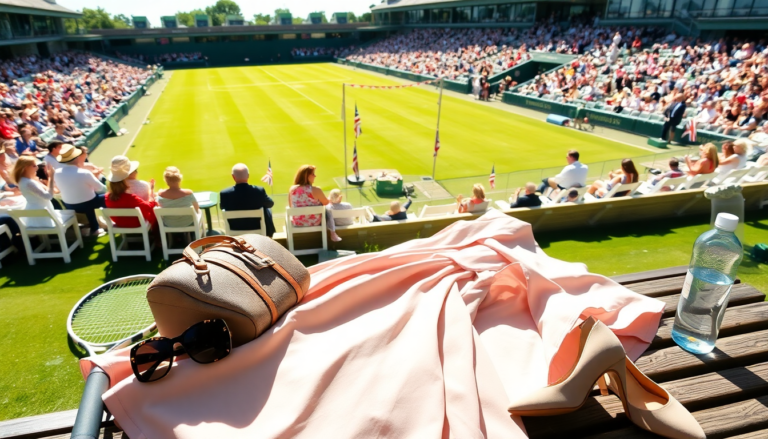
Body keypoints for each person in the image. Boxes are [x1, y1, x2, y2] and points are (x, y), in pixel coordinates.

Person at [55, 144, 106, 236]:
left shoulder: (56, 173)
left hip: (68, 204)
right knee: (108, 197)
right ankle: (110, 222)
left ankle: (94, 226)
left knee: (88, 200)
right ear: (77, 157)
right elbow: (101, 188)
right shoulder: (84, 173)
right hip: (88, 204)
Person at [220, 163, 275, 237]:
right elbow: (270, 204)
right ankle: (270, 234)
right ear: (248, 175)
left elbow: (222, 207)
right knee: (267, 209)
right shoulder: (258, 191)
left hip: (235, 228)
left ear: (233, 177)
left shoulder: (225, 193)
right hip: (256, 226)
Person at [288, 164, 340, 242]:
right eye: (313, 174)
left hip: (298, 222)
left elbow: (290, 205)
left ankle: (333, 233)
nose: (315, 176)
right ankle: (332, 232)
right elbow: (326, 202)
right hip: (314, 222)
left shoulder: (292, 189)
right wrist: (330, 198)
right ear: (307, 176)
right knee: (327, 208)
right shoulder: (316, 190)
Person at [105, 156, 158, 230]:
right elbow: (149, 206)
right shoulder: (131, 198)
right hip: (137, 223)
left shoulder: (107, 197)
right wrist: (151, 190)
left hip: (120, 223)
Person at [13, 157, 66, 227]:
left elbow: (47, 190)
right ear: (26, 168)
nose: (37, 168)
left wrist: (40, 180)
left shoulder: (24, 180)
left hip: (37, 210)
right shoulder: (29, 182)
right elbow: (48, 196)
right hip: (41, 212)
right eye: (34, 166)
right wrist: (51, 177)